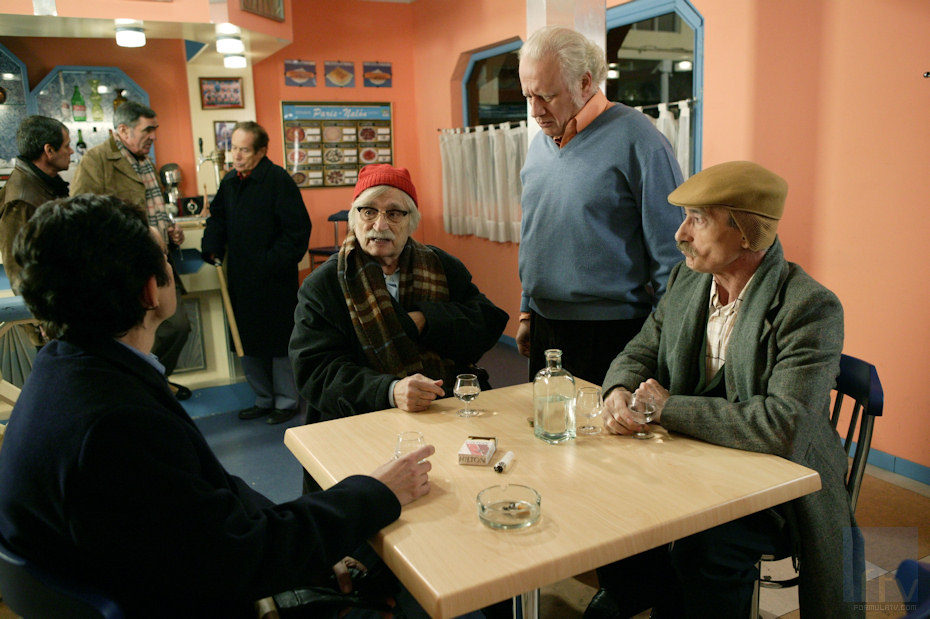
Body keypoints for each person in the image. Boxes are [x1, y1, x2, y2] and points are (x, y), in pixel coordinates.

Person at [0, 193, 435, 617]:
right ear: (151, 290)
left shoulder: (68, 370)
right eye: (164, 258)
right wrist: (376, 491)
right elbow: (238, 559)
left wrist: (318, 547)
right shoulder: (116, 425)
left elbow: (209, 496)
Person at [590, 161, 864, 618]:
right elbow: (640, 349)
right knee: (612, 499)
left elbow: (784, 426)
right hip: (695, 462)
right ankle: (637, 595)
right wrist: (617, 389)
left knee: (706, 549)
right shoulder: (688, 280)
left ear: (747, 233)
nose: (680, 234)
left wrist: (667, 408)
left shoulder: (810, 307)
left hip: (778, 484)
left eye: (697, 219)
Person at [517, 25, 685, 386]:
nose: (535, 110)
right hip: (545, 324)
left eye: (546, 96)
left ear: (584, 83)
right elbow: (536, 233)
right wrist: (526, 311)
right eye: (528, 95)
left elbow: (673, 255)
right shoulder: (539, 144)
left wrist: (662, 341)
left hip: (612, 332)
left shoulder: (640, 140)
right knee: (545, 421)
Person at [290, 164, 508, 423]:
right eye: (369, 211)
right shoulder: (324, 284)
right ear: (354, 218)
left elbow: (487, 323)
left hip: (445, 406)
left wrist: (427, 320)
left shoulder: (441, 266)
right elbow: (314, 371)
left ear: (411, 221)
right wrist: (390, 390)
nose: (380, 225)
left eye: (394, 213)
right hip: (360, 418)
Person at [71, 101, 192, 400]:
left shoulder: (147, 163)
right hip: (121, 269)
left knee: (177, 326)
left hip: (157, 260)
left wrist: (170, 234)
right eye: (147, 129)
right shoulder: (96, 160)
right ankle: (138, 389)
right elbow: (80, 218)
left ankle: (149, 385)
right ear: (123, 130)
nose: (154, 136)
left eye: (155, 129)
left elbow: (153, 211)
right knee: (130, 335)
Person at [202, 121, 311, 425]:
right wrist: (211, 246)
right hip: (240, 278)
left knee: (278, 343)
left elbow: (297, 231)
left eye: (244, 150)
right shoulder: (230, 181)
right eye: (233, 148)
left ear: (261, 151)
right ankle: (263, 399)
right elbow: (217, 219)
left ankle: (286, 401)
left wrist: (269, 262)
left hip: (274, 280)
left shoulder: (278, 180)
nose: (236, 156)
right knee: (247, 341)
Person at [0, 115, 72, 292]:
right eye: (66, 146)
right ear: (49, 151)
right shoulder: (21, 201)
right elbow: (18, 272)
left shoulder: (46, 184)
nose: (71, 151)